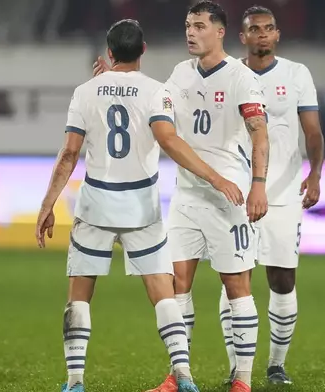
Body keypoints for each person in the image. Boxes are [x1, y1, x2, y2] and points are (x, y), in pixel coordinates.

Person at [36, 18, 244, 392]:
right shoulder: (156, 92)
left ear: (109, 52)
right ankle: (183, 374)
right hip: (141, 207)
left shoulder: (86, 91)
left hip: (96, 205)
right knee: (163, 292)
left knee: (80, 293)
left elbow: (69, 153)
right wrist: (216, 177)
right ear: (143, 51)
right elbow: (168, 140)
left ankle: (75, 381)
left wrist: (48, 204)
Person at [93, 3, 269, 392]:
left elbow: (259, 133)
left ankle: (243, 379)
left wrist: (258, 184)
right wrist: (117, 80)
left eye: (200, 26)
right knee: (177, 285)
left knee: (236, 285)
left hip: (231, 193)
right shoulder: (179, 74)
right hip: (188, 194)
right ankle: (179, 374)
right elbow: (153, 109)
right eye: (188, 25)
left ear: (220, 32)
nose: (191, 32)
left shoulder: (241, 78)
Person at [216, 6, 325, 386]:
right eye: (254, 30)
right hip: (236, 191)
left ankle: (276, 364)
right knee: (235, 279)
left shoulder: (297, 75)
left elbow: (312, 131)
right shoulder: (228, 74)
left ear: (277, 35)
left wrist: (315, 174)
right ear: (242, 37)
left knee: (282, 279)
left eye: (269, 29)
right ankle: (237, 366)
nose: (262, 34)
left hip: (283, 191)